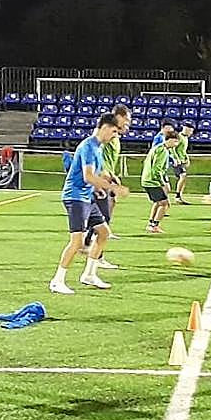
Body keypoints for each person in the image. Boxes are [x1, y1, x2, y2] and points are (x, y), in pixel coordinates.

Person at [48, 113, 128, 295]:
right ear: (105, 127)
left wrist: (99, 187)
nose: (115, 136)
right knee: (76, 242)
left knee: (103, 232)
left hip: (85, 197)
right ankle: (57, 280)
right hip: (75, 197)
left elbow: (94, 176)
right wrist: (114, 188)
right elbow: (88, 176)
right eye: (114, 131)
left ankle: (89, 275)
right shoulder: (89, 147)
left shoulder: (98, 148)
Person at [83, 102, 131, 268]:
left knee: (104, 216)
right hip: (102, 179)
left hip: (108, 177)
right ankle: (95, 254)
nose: (128, 123)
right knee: (103, 218)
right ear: (119, 116)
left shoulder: (115, 134)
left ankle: (88, 244)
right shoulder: (103, 134)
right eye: (126, 119)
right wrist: (104, 174)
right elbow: (97, 151)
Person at [141, 129, 179, 233]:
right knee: (165, 203)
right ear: (169, 140)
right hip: (152, 181)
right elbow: (157, 169)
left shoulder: (157, 148)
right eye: (175, 141)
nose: (176, 144)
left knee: (158, 203)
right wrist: (162, 183)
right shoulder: (162, 150)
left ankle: (151, 223)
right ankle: (155, 225)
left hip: (147, 179)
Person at [170, 122, 194, 205]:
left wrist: (187, 158)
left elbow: (183, 150)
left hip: (182, 161)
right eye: (190, 131)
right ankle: (177, 196)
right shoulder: (179, 137)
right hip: (178, 161)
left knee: (183, 178)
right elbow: (172, 149)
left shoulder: (186, 138)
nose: (191, 133)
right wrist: (176, 159)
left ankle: (179, 195)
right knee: (183, 176)